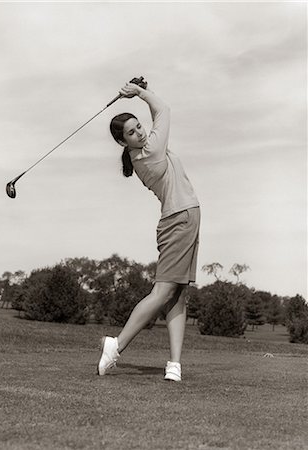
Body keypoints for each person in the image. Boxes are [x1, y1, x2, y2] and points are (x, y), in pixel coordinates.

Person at [97, 81, 200, 382]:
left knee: (177, 295)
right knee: (164, 292)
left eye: (139, 126)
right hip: (180, 219)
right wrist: (140, 93)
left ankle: (174, 366)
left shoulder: (139, 155)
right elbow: (163, 109)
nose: (140, 132)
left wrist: (142, 91)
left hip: (182, 218)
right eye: (131, 132)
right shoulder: (151, 152)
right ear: (123, 142)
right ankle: (116, 345)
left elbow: (156, 113)